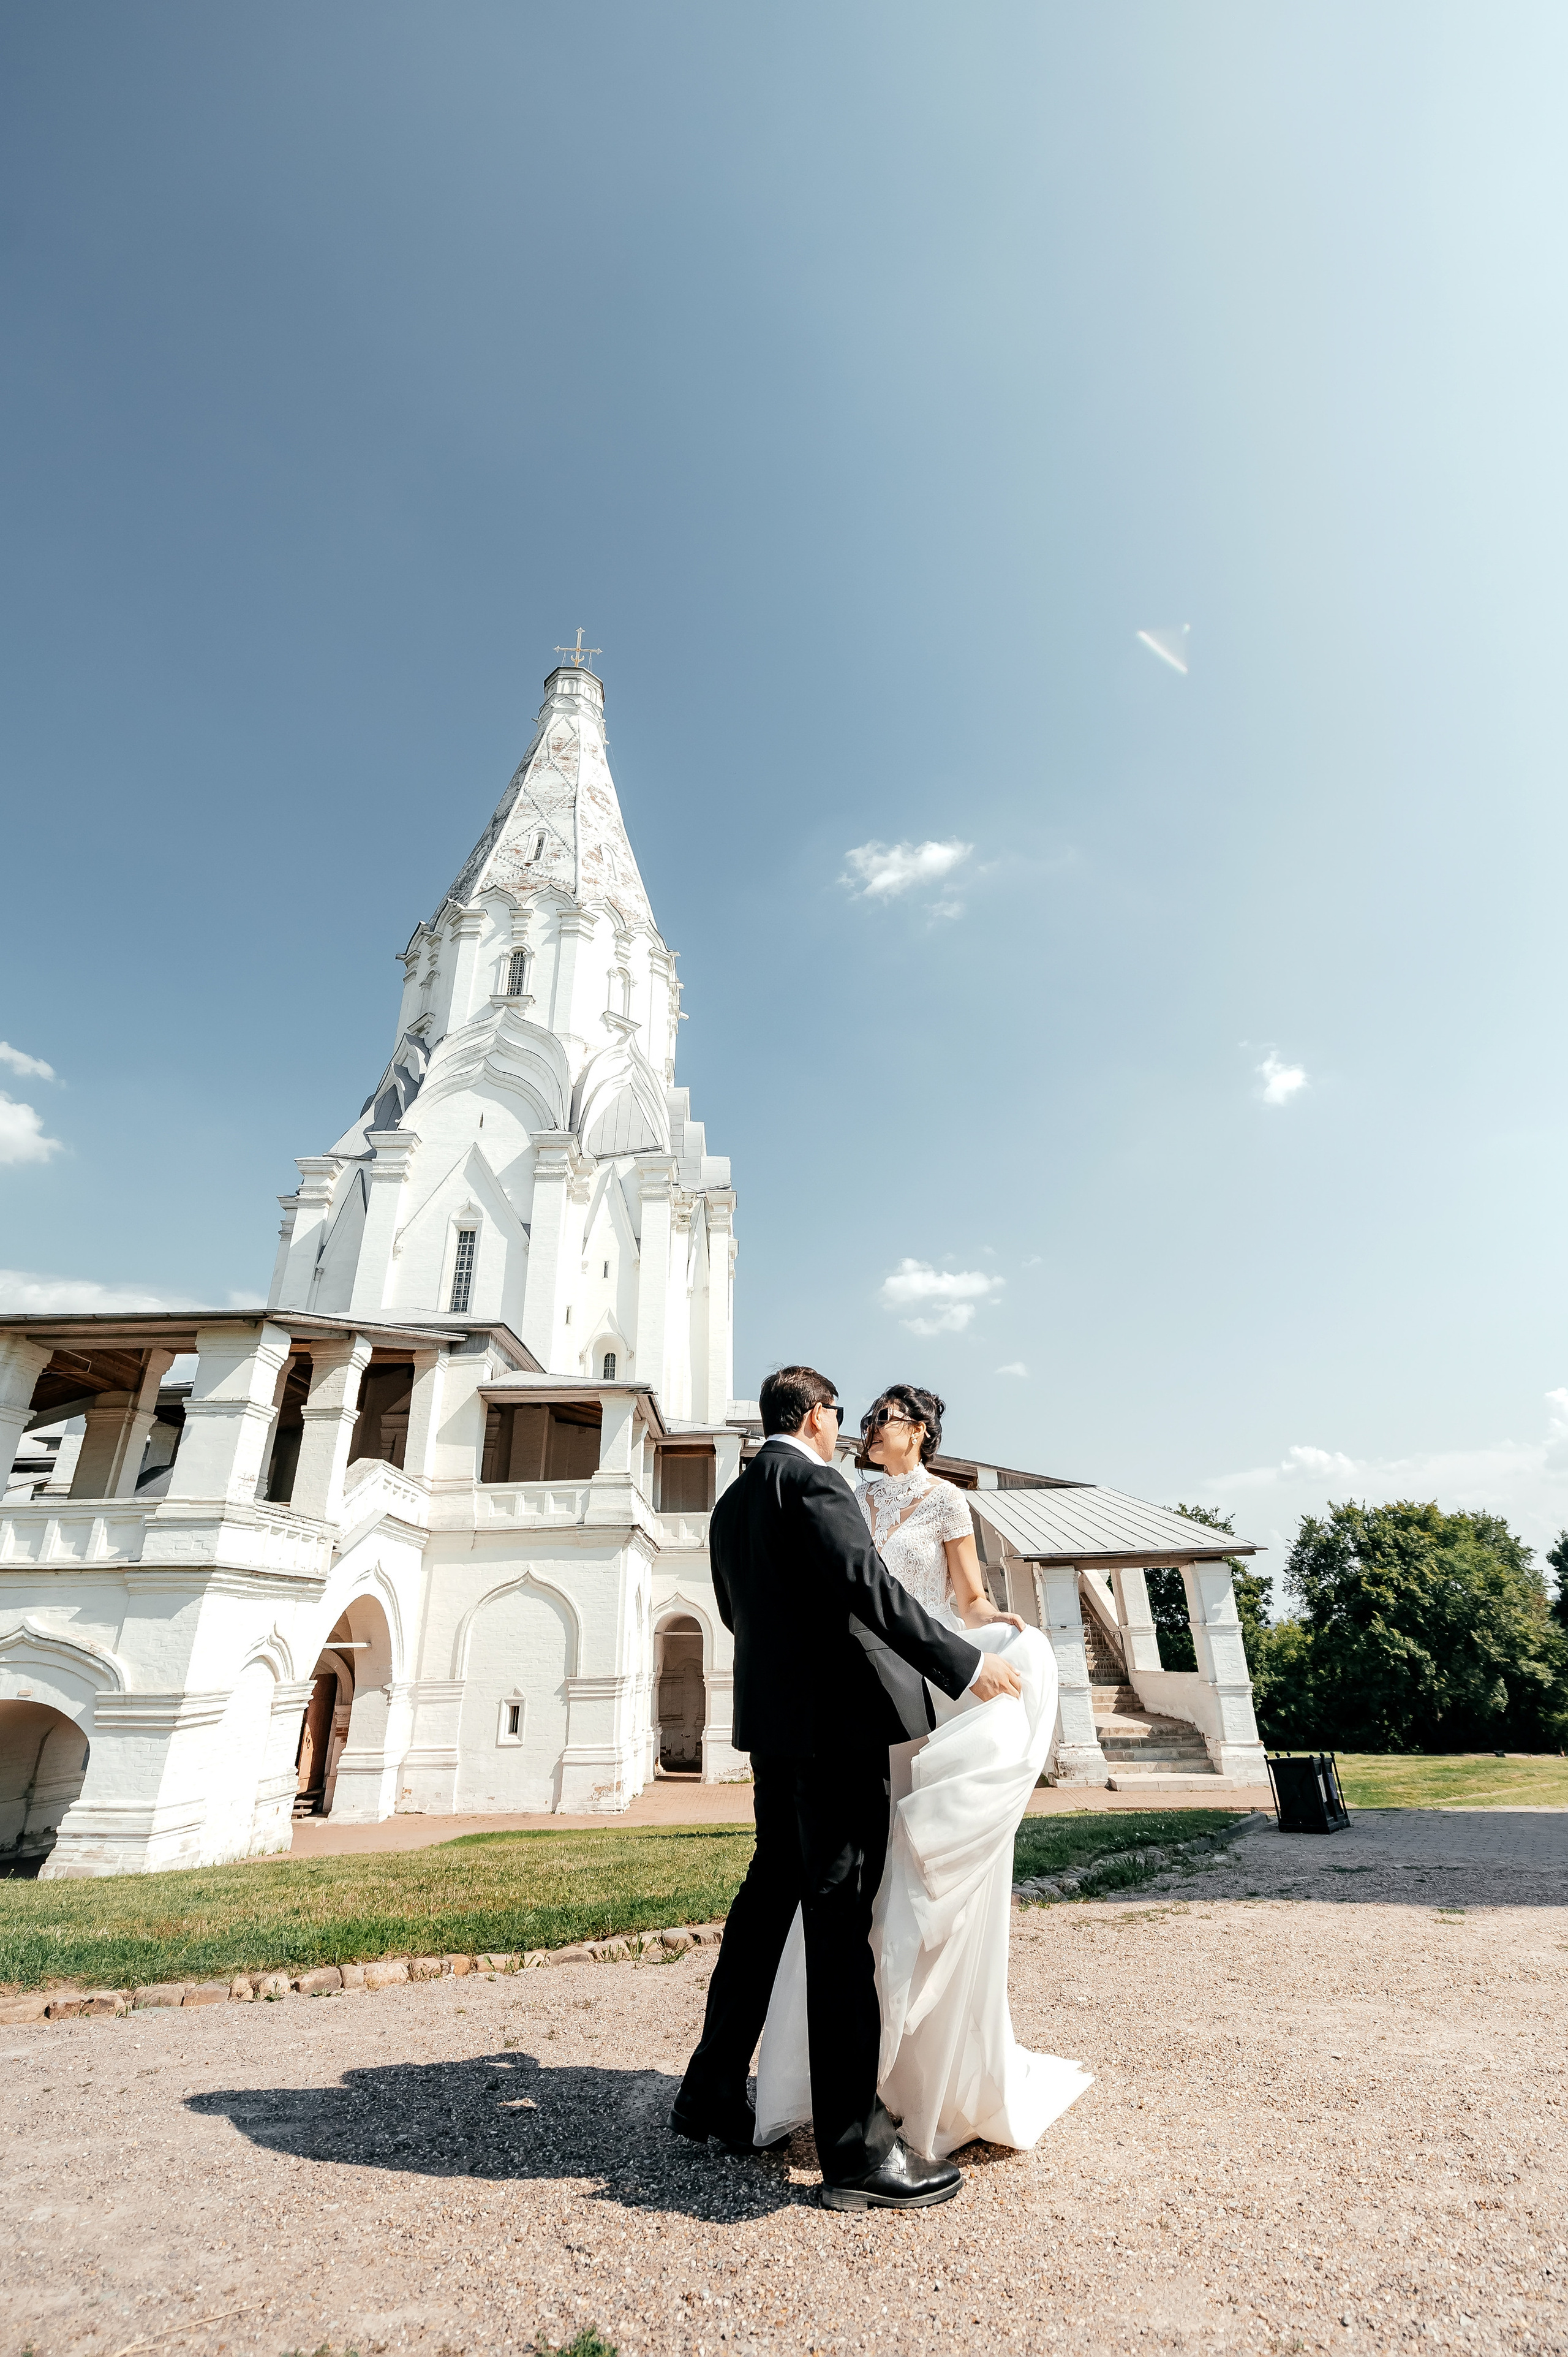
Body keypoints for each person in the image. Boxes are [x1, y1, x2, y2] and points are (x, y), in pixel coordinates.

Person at [671, 1364, 1023, 2211]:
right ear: (816, 1415)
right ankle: (856, 2151)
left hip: (772, 1729)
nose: (847, 1425)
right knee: (839, 1923)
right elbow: (867, 1588)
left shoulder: (732, 1502)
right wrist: (964, 1664)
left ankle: (709, 2092)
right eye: (839, 1411)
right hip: (836, 1734)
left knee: (764, 1906)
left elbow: (735, 1608)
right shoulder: (818, 1482)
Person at [753, 1381, 1093, 2160]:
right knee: (854, 1888)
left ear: (921, 1431)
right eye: (863, 1417)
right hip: (854, 1698)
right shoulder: (843, 1490)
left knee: (912, 1866)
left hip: (925, 1692)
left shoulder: (948, 1503)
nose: (869, 1428)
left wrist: (997, 1632)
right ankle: (839, 2080)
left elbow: (967, 1600)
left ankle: (922, 2072)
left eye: (884, 1418)